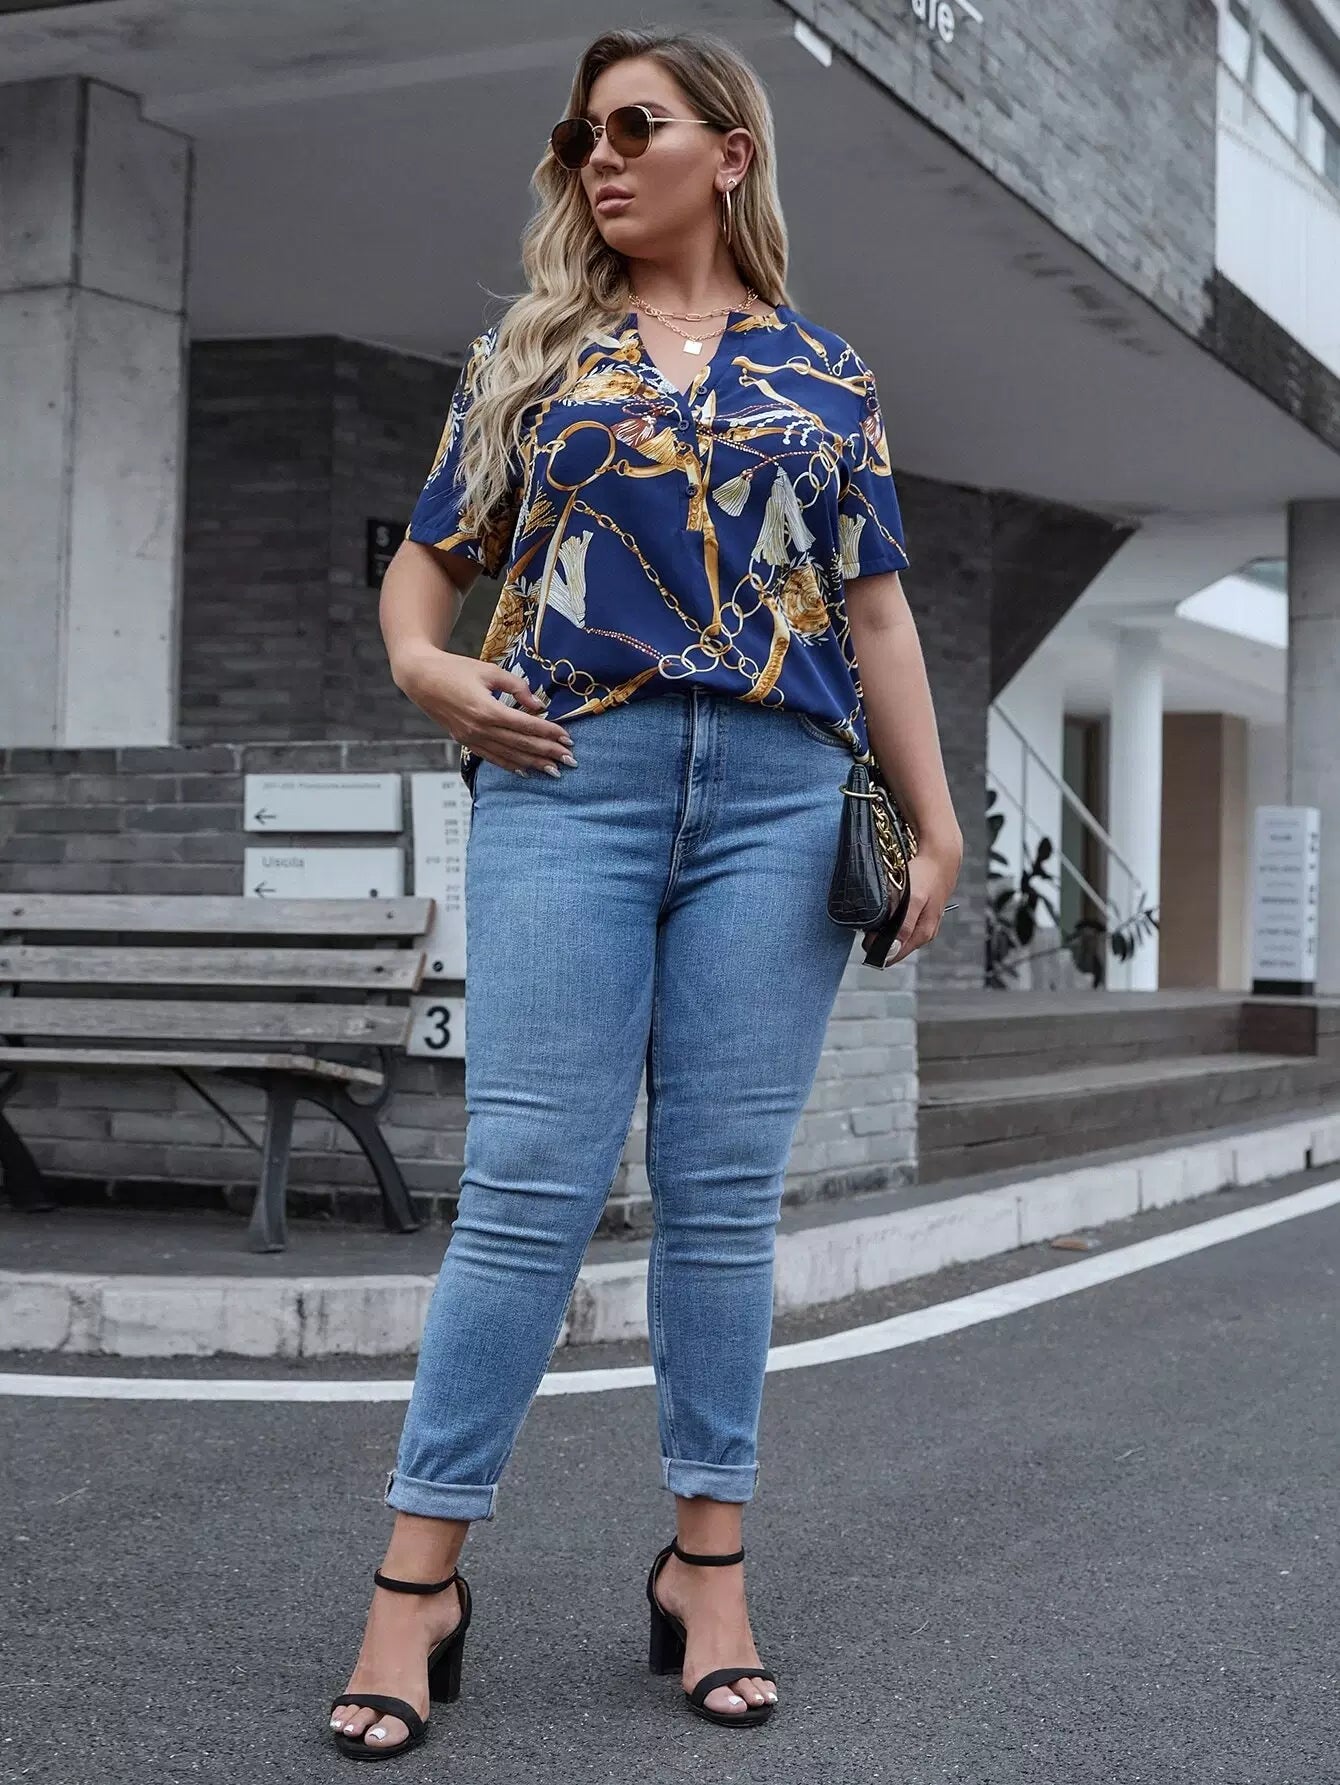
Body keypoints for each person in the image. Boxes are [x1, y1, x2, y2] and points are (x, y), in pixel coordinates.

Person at [328, 25, 962, 1761]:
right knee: (526, 1192)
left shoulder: (829, 375)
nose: (599, 157)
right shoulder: (534, 352)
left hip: (779, 798)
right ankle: (415, 1584)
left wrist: (935, 821)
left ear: (728, 152)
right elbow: (428, 566)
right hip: (568, 780)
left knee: (722, 1202)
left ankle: (709, 1569)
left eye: (634, 125)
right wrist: (425, 669)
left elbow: (877, 609)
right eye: (581, 138)